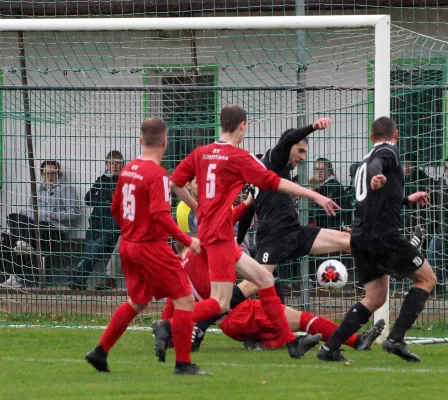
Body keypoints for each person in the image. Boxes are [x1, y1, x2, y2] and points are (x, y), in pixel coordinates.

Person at [168, 105, 339, 361]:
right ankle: (169, 326)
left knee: (264, 279)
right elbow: (273, 182)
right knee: (222, 303)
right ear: (243, 125)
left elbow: (174, 183)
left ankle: (292, 344)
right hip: (220, 238)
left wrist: (199, 207)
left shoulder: (202, 153)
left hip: (213, 233)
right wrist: (313, 194)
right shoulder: (238, 156)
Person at [84, 117, 207, 376]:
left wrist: (130, 229)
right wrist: (188, 240)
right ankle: (183, 364)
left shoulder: (128, 169)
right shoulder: (158, 174)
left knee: (138, 300)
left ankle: (100, 351)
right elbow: (161, 215)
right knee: (185, 299)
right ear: (165, 141)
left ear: (141, 140)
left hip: (128, 245)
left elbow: (115, 208)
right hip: (151, 246)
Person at [317, 116, 437, 363]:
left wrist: (406, 199)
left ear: (370, 137)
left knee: (375, 297)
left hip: (360, 237)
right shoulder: (388, 152)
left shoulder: (364, 160)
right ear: (397, 135)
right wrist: (377, 176)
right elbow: (378, 166)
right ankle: (396, 338)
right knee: (427, 279)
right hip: (383, 236)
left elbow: (374, 198)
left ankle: (329, 348)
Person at [154, 238, 385, 358]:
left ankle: (262, 344)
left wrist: (169, 335)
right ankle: (356, 341)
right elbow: (244, 288)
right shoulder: (204, 252)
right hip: (240, 313)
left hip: (232, 322)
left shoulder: (181, 269)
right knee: (300, 317)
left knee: (282, 322)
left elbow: (171, 303)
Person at [236, 117, 351, 301]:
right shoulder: (274, 159)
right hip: (273, 237)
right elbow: (289, 140)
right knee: (255, 284)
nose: (303, 157)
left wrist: (239, 240)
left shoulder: (265, 172)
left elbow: (248, 210)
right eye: (300, 151)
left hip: (293, 233)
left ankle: (398, 259)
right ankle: (202, 322)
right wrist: (312, 127)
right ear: (287, 147)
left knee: (349, 241)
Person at [69, 150, 124, 290]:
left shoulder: (124, 181)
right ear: (106, 164)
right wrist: (105, 199)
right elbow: (88, 199)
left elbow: (118, 202)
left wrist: (103, 198)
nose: (114, 166)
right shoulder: (101, 179)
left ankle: (76, 277)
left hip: (112, 227)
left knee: (94, 250)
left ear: (122, 165)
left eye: (117, 163)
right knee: (90, 253)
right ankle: (78, 280)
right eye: (111, 163)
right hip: (96, 225)